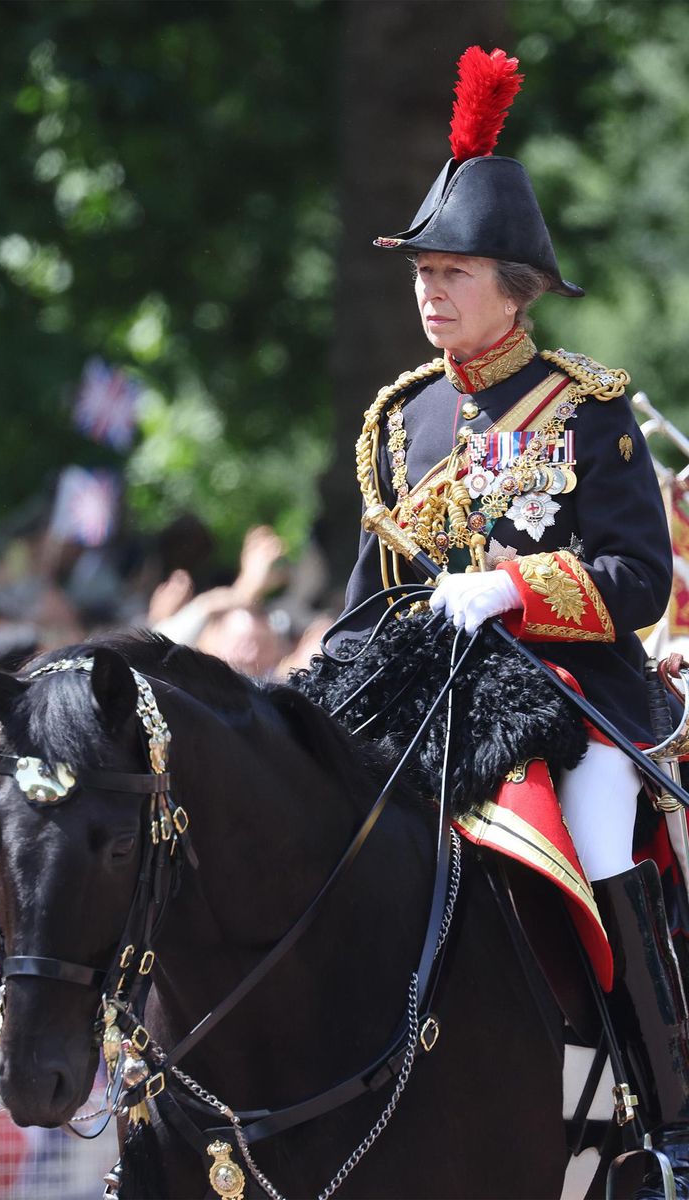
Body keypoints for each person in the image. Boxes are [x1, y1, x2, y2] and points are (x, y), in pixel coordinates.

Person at [342, 46, 689, 1198]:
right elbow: (366, 601)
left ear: (516, 284)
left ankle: (673, 1111)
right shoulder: (400, 422)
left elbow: (639, 578)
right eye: (421, 273)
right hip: (433, 704)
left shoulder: (588, 411)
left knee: (595, 832)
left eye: (453, 271)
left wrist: (516, 588)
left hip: (573, 702)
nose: (430, 291)